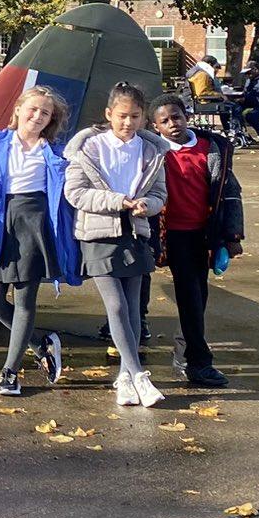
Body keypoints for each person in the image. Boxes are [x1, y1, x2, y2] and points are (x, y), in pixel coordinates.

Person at [64, 82, 170, 408]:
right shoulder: (89, 148)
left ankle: (124, 377)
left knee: (133, 306)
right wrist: (118, 201)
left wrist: (147, 206)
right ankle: (139, 375)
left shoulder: (152, 151)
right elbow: (75, 193)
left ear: (143, 117)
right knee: (116, 305)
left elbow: (160, 194)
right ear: (109, 114)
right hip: (98, 234)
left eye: (135, 116)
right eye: (122, 116)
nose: (128, 122)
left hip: (134, 233)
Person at [0, 88, 80, 397]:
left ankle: (10, 371)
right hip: (0, 223)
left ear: (51, 120)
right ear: (18, 109)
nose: (37, 116)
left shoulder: (54, 153)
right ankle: (40, 342)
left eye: (45, 113)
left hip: (34, 223)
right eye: (33, 109)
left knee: (24, 301)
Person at [150, 94, 244, 388]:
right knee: (186, 296)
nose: (172, 124)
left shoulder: (211, 148)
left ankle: (187, 356)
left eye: (176, 117)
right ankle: (198, 362)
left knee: (196, 296)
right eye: (164, 121)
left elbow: (230, 193)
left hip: (200, 235)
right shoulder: (153, 151)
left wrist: (232, 235)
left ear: (187, 116)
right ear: (155, 127)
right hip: (166, 234)